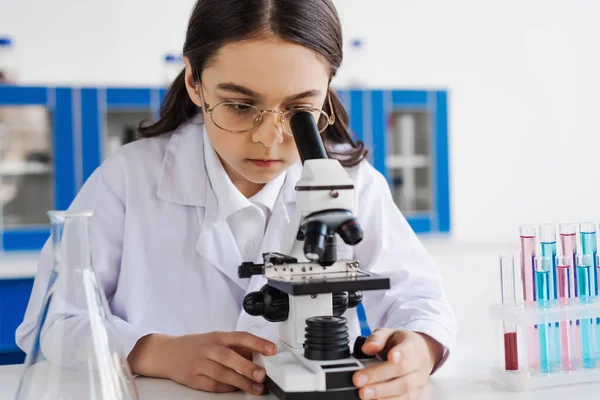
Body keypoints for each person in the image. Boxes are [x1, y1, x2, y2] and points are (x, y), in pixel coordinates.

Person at [16, 1, 457, 399]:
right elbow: (51, 320)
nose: (269, 138)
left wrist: (418, 346)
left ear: (327, 87)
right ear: (194, 81)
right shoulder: (129, 178)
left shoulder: (351, 182)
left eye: (299, 110)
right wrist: (156, 352)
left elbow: (419, 298)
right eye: (241, 106)